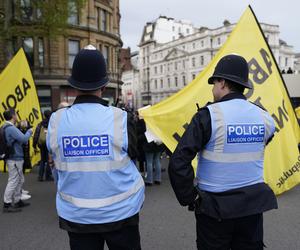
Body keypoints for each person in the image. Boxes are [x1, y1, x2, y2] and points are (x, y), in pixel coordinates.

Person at [168, 54, 278, 250]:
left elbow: (178, 161)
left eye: (214, 83)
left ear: (222, 83)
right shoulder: (265, 117)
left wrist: (190, 197)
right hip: (252, 208)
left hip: (214, 210)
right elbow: (261, 143)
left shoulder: (208, 116)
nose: (212, 89)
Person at [47, 45, 145, 250]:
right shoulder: (121, 118)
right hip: (121, 214)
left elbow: (54, 156)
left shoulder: (56, 121)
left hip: (77, 217)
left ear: (73, 85)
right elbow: (137, 154)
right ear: (104, 84)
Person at [2, 109, 33, 213]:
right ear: (12, 116)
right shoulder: (10, 128)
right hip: (15, 158)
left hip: (12, 157)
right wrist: (29, 131)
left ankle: (17, 199)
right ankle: (7, 204)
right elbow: (24, 139)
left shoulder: (4, 127)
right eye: (15, 114)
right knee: (13, 180)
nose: (16, 115)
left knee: (18, 179)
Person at [33, 110, 52, 181]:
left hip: (41, 144)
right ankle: (48, 176)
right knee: (49, 159)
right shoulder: (52, 123)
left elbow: (36, 134)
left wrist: (34, 145)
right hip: (49, 143)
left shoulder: (40, 124)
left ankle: (40, 176)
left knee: (43, 160)